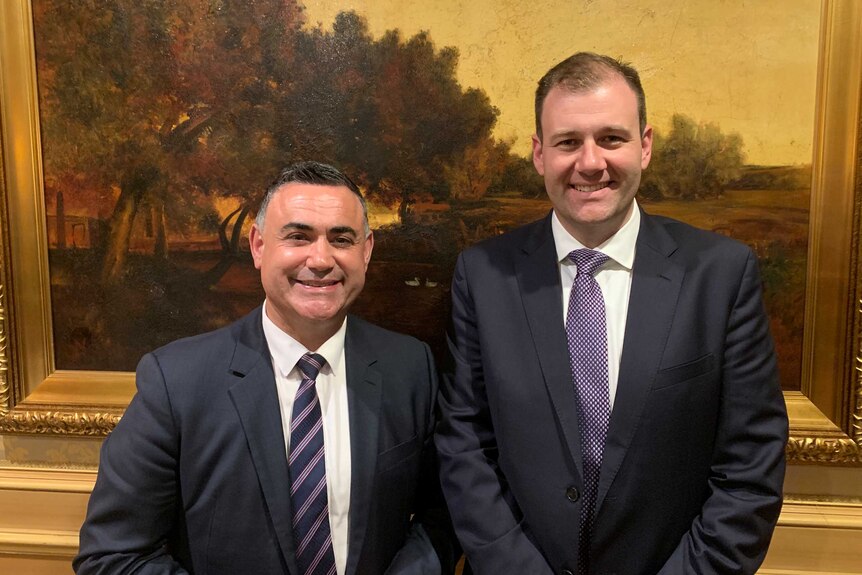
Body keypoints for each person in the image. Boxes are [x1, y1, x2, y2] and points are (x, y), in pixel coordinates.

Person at [435, 52, 788, 575]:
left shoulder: (720, 274)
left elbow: (749, 466)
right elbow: (466, 447)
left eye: (611, 138)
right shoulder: (483, 275)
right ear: (538, 154)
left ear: (645, 146)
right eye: (567, 142)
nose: (591, 162)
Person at [75, 161, 456, 575]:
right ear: (258, 246)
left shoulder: (410, 368)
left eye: (341, 239)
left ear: (366, 251)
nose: (321, 259)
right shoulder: (176, 381)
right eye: (298, 236)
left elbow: (442, 515)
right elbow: (113, 555)